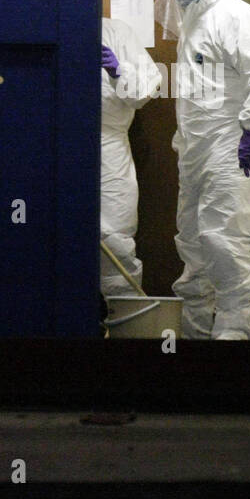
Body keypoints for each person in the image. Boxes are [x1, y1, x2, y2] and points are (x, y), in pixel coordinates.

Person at [165, 0, 250, 339]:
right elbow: (196, 93)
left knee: (225, 238)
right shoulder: (191, 25)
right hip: (197, 150)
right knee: (194, 240)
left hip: (233, 147)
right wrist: (184, 141)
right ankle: (196, 336)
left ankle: (232, 336)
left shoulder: (236, 16)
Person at [100, 16, 162, 299]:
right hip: (55, 144)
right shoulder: (49, 26)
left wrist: (118, 71)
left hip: (109, 145)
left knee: (115, 236)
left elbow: (146, 89)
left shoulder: (117, 33)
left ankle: (119, 318)